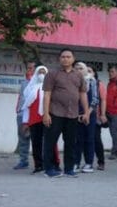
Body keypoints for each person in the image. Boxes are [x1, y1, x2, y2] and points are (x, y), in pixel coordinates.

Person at [42, 49, 89, 178]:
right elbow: (47, 94)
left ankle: (69, 169)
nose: (65, 59)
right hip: (55, 113)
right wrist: (46, 114)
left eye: (68, 57)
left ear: (73, 59)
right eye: (63, 57)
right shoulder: (52, 74)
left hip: (72, 114)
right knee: (50, 142)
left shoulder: (78, 75)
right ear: (59, 59)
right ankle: (49, 169)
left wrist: (86, 112)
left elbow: (83, 94)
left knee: (70, 143)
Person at [20, 65, 55, 173]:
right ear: (36, 74)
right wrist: (25, 122)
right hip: (34, 119)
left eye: (44, 73)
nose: (41, 75)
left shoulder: (51, 88)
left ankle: (50, 164)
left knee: (49, 143)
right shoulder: (30, 88)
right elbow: (26, 107)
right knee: (36, 143)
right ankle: (38, 166)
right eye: (40, 72)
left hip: (47, 118)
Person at [73, 62, 99, 173]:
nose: (79, 70)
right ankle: (76, 163)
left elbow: (95, 100)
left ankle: (89, 163)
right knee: (76, 140)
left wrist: (87, 114)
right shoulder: (72, 81)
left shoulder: (92, 81)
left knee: (89, 139)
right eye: (76, 68)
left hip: (90, 114)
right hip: (75, 114)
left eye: (81, 68)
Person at [14, 61, 35, 170]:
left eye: (31, 68)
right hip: (22, 114)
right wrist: (18, 110)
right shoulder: (24, 82)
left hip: (35, 115)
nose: (29, 70)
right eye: (28, 68)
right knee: (23, 138)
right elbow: (21, 98)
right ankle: (23, 161)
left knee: (37, 139)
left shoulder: (41, 83)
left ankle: (39, 162)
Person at [91, 68, 108, 170]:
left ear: (94, 73)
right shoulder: (80, 83)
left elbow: (103, 100)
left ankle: (101, 162)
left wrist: (103, 114)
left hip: (95, 116)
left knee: (96, 139)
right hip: (80, 115)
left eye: (90, 71)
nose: (88, 73)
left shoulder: (99, 84)